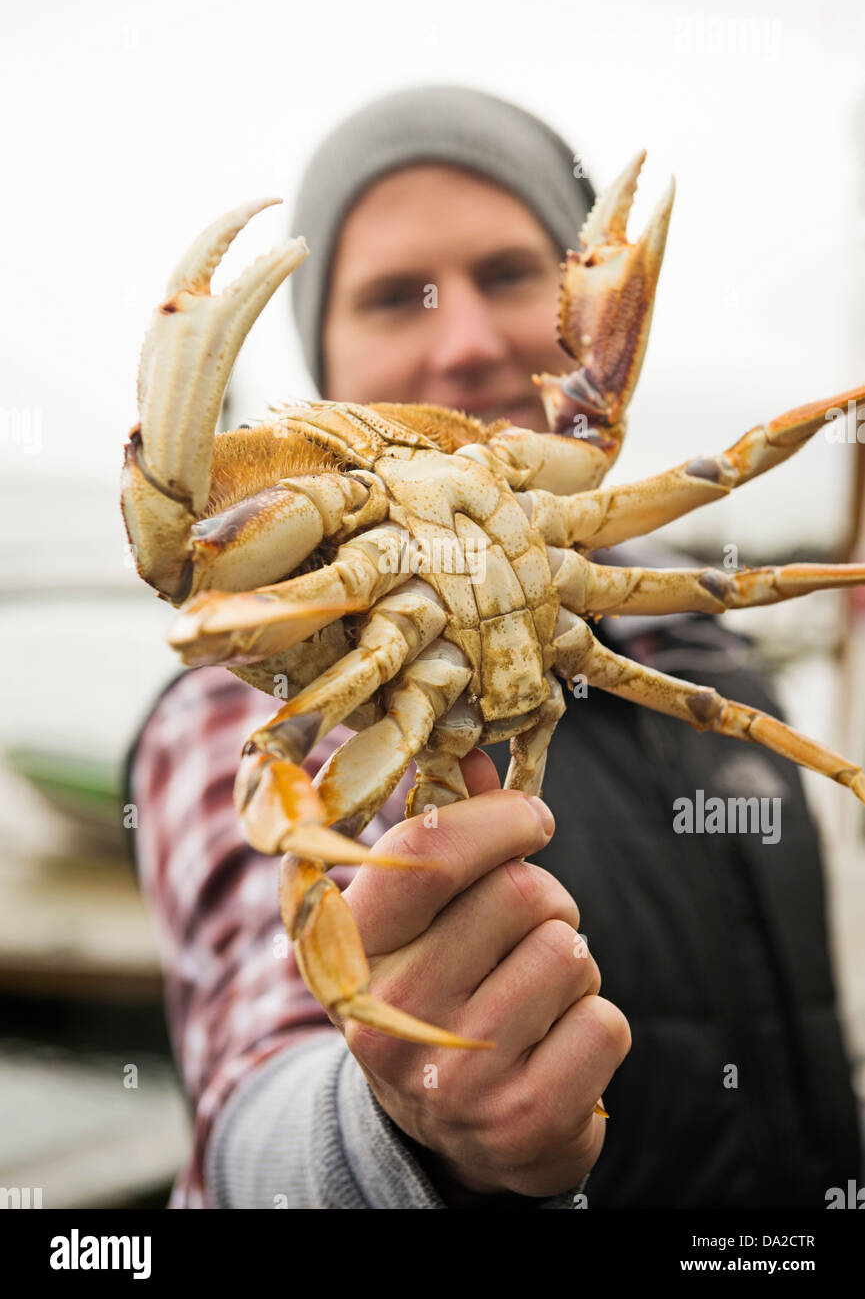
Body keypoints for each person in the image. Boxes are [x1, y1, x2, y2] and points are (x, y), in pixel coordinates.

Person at [125, 84, 862, 1209]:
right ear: (319, 361)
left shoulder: (697, 643)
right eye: (392, 299)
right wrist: (405, 1135)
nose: (462, 339)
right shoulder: (246, 699)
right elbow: (247, 1107)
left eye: (509, 275)